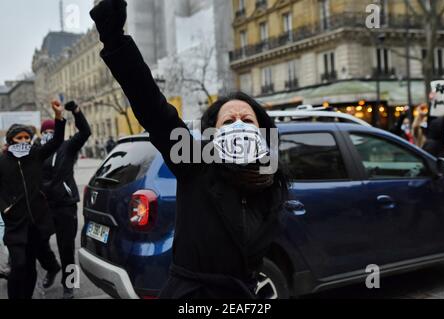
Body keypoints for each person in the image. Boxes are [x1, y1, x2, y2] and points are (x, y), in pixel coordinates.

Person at [90, 0, 289, 299]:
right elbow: (153, 108)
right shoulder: (196, 163)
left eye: (247, 120)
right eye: (229, 120)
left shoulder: (271, 182)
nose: (238, 125)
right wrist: (114, 38)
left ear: (262, 132)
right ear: (213, 132)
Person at [0, 101, 66, 299]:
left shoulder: (36, 156)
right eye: (19, 137)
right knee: (18, 265)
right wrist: (5, 208)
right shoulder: (2, 162)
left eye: (27, 137)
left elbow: (57, 141)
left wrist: (59, 117)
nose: (23, 140)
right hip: (15, 224)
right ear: (10, 140)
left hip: (37, 224)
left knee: (30, 267)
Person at [37, 101, 91, 299]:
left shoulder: (68, 147)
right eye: (45, 131)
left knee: (67, 247)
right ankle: (52, 267)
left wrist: (76, 111)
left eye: (52, 130)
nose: (49, 134)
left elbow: (85, 131)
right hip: (43, 206)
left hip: (65, 205)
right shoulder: (37, 151)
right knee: (37, 242)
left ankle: (70, 285)